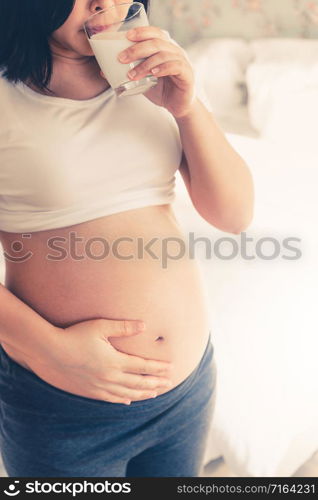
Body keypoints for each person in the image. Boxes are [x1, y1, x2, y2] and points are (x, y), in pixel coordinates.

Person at [0, 0, 254, 477]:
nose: (104, 4)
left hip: (186, 392)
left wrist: (186, 107)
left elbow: (234, 214)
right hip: (66, 406)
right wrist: (50, 349)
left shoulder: (151, 66)